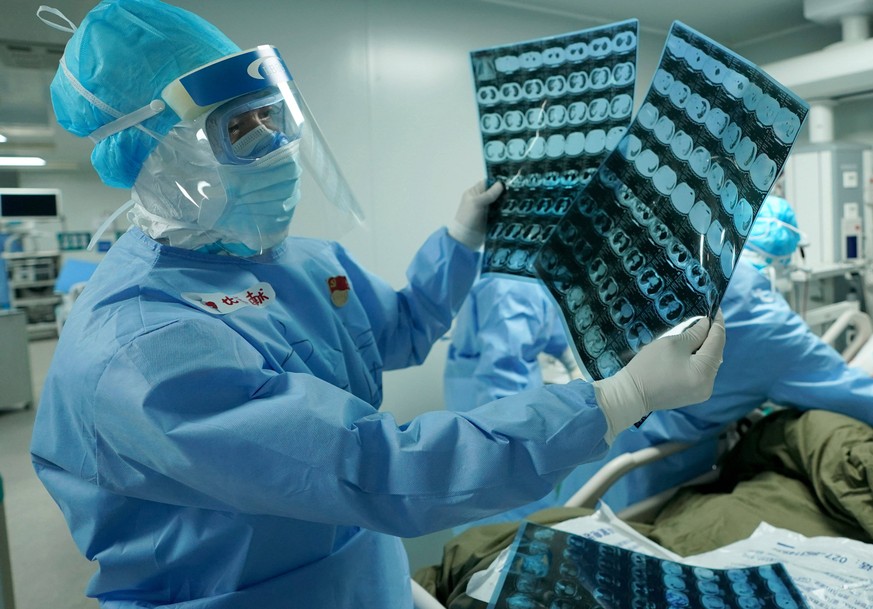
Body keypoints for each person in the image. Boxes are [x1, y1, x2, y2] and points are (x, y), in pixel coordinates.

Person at [29, 1, 725, 607]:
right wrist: (615, 398)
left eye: (278, 121)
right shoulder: (139, 347)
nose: (280, 151)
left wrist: (459, 243)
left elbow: (395, 329)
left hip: (365, 578)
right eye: (243, 131)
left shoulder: (288, 262)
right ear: (153, 154)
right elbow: (373, 464)